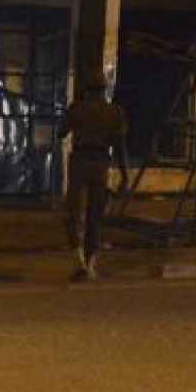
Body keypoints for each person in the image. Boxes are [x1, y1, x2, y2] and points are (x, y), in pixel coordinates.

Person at [60, 70, 128, 280]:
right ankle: (90, 264)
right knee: (95, 216)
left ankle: (78, 258)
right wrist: (125, 175)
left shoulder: (77, 109)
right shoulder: (114, 112)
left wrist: (69, 115)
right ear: (104, 90)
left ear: (86, 90)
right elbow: (119, 146)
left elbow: (60, 132)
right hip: (101, 165)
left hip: (80, 162)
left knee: (73, 212)